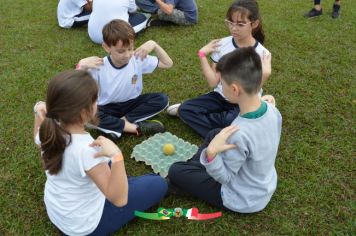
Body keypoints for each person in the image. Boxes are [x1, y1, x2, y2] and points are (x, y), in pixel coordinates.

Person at [33, 70, 167, 235]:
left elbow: (38, 140)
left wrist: (38, 108)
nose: (98, 103)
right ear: (84, 113)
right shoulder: (88, 149)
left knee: (109, 170)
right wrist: (117, 155)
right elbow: (119, 200)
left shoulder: (47, 129)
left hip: (59, 212)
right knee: (157, 183)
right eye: (96, 99)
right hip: (85, 226)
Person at [168, 47, 282, 213]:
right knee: (215, 133)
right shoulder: (272, 110)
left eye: (222, 83)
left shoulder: (239, 132)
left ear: (235, 90)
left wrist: (212, 154)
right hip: (262, 185)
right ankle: (196, 171)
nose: (220, 86)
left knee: (176, 170)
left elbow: (225, 177)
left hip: (240, 198)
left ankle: (187, 180)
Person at [167, 0, 272, 138]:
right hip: (221, 96)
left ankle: (223, 126)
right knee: (186, 110)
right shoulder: (222, 45)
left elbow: (252, 92)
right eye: (230, 22)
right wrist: (202, 55)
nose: (234, 28)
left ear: (254, 24)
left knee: (230, 120)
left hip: (243, 103)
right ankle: (225, 132)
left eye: (240, 24)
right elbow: (213, 82)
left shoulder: (262, 54)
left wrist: (265, 75)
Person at [78, 19, 173, 141]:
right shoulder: (98, 65)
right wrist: (80, 66)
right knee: (87, 113)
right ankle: (135, 128)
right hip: (107, 108)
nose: (127, 55)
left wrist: (154, 44)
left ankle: (117, 127)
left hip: (132, 104)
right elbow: (74, 89)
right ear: (107, 47)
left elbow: (168, 64)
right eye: (121, 51)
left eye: (130, 48)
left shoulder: (137, 58)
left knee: (162, 99)